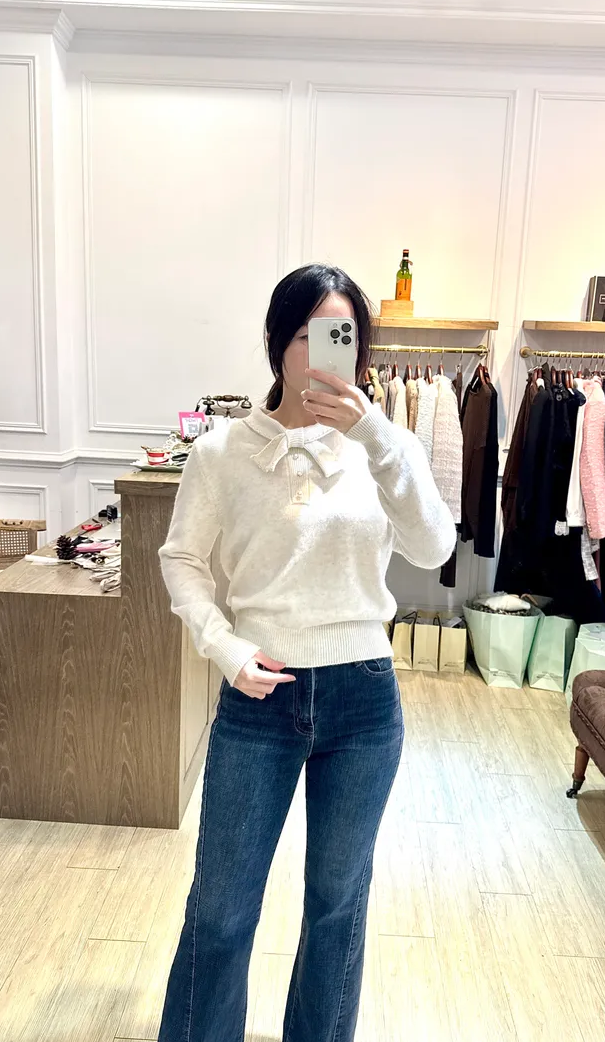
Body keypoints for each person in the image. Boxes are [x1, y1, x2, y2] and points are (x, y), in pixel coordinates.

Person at [157, 263, 456, 1042]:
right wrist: (222, 644)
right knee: (222, 908)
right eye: (305, 334)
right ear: (274, 341)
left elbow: (433, 547)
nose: (324, 352)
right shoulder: (222, 452)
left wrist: (376, 436)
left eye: (341, 335)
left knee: (336, 907)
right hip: (259, 697)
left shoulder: (383, 447)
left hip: (364, 701)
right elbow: (180, 560)